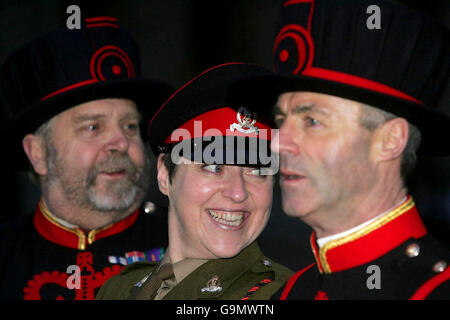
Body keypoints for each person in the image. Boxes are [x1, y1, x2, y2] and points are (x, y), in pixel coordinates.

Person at [229, 0, 450, 299]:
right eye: (281, 120)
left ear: (390, 140)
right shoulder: (292, 291)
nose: (278, 143)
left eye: (312, 121)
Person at [0, 16, 174, 300]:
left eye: (130, 126)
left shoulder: (192, 247)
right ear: (39, 153)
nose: (121, 142)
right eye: (93, 127)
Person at [96, 62, 293, 300]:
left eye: (258, 171)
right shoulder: (117, 290)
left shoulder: (286, 294)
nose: (238, 192)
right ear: (164, 175)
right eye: (214, 167)